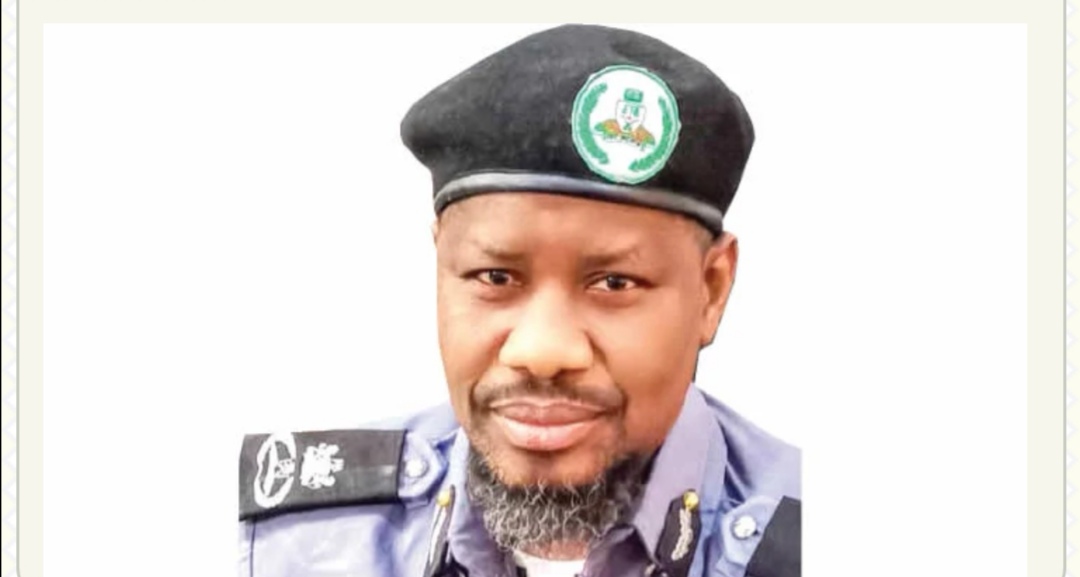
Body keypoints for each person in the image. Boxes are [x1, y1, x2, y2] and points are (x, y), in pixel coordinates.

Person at [237, 24, 801, 577]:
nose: (542, 351)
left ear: (712, 290)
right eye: (495, 276)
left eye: (614, 283)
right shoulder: (290, 544)